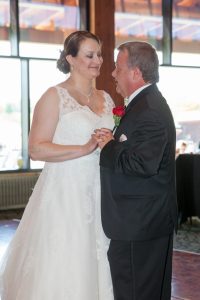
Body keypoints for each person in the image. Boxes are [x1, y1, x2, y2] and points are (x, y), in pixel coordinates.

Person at [0, 31, 114, 300]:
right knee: (65, 258)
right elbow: (37, 148)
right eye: (89, 55)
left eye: (99, 54)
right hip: (65, 192)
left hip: (103, 192)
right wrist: (84, 148)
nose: (97, 60)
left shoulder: (107, 98)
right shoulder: (54, 96)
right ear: (70, 59)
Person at [94, 41, 178, 300]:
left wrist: (109, 146)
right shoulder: (144, 104)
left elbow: (142, 164)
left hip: (138, 225)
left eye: (118, 68)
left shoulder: (149, 110)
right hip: (144, 223)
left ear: (136, 73)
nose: (112, 74)